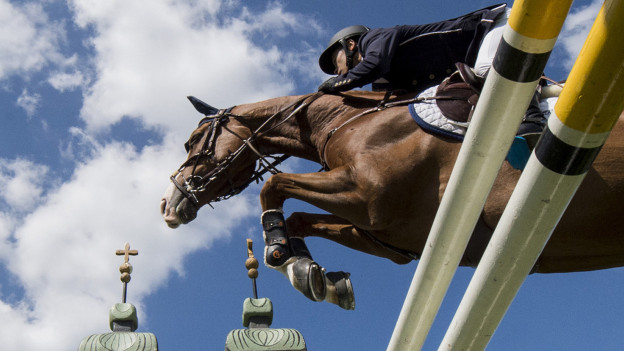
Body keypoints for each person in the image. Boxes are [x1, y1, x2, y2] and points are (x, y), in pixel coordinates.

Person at [317, 4, 546, 137]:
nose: (336, 72)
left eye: (334, 61)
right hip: (477, 53)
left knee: (487, 70)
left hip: (493, 26)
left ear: (350, 44)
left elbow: (374, 65)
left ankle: (533, 120)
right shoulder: (383, 80)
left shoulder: (374, 38)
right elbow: (391, 107)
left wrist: (335, 86)